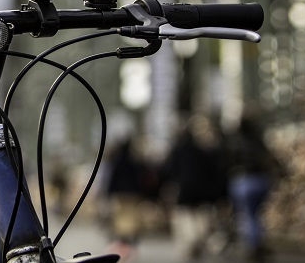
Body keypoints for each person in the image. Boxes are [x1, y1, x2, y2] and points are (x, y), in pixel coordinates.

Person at [161, 115, 228, 260]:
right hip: (203, 192)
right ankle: (197, 242)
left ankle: (192, 244)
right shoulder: (206, 150)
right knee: (200, 219)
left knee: (186, 219)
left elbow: (169, 170)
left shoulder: (179, 150)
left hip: (186, 190)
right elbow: (215, 171)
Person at [224, 108, 281, 262]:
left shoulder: (234, 141)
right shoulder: (258, 141)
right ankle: (256, 243)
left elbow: (227, 163)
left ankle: (253, 244)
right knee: (255, 214)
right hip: (260, 180)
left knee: (247, 215)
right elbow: (270, 160)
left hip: (243, 181)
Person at [100, 136, 155, 260]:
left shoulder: (116, 161)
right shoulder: (134, 161)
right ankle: (129, 244)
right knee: (132, 219)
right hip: (133, 194)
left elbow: (112, 179)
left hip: (119, 194)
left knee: (120, 219)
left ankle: (122, 243)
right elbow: (141, 178)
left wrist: (108, 193)